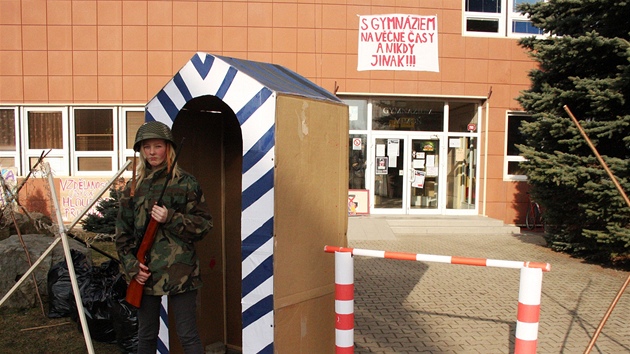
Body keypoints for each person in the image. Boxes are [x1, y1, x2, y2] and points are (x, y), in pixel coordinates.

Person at [115, 121, 212, 354]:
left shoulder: (186, 183)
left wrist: (171, 217)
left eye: (157, 146)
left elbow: (204, 225)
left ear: (168, 148)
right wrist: (132, 266)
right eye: (146, 147)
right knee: (146, 335)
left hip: (181, 272)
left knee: (188, 335)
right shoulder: (134, 187)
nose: (151, 152)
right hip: (145, 273)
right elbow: (122, 235)